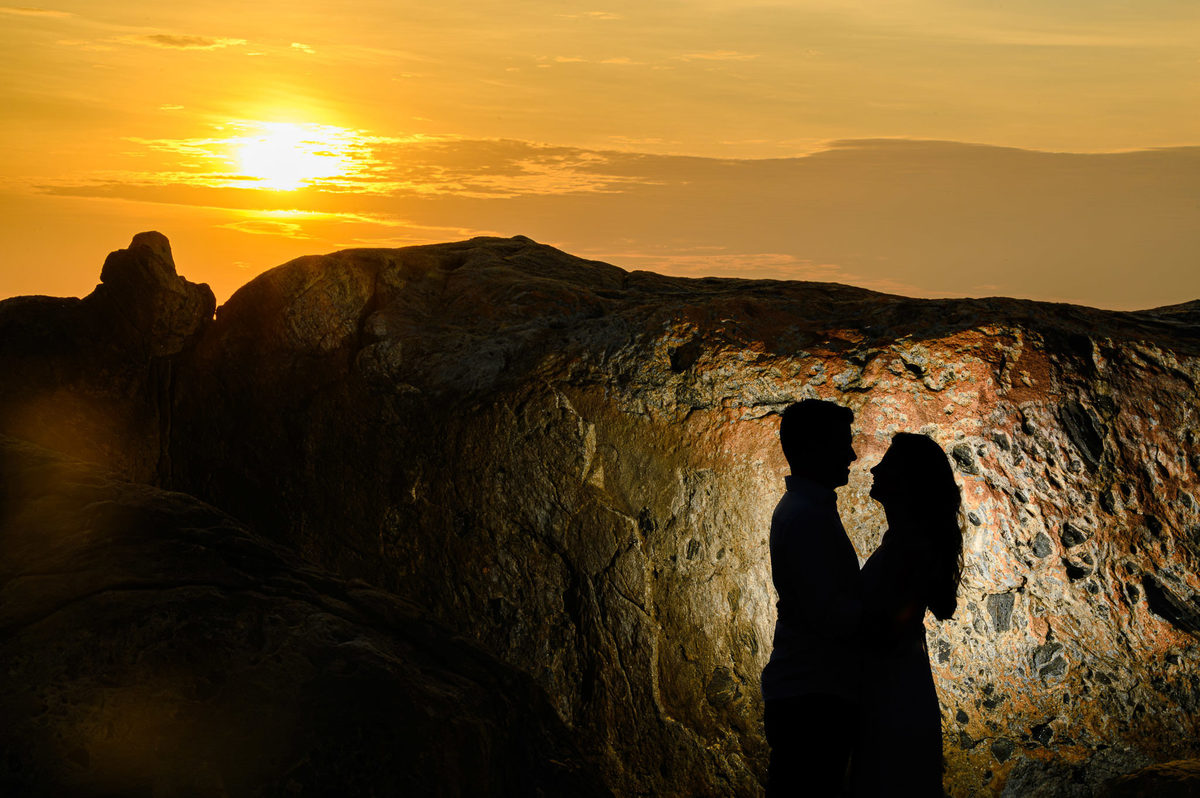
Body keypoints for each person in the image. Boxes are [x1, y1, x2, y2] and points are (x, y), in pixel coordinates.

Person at [852, 433, 964, 798]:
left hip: (892, 694)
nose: (874, 467)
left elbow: (886, 626)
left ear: (907, 478)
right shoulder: (905, 542)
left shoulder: (909, 548)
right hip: (898, 685)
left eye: (887, 461)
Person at [761, 399, 861, 797]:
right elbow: (828, 616)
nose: (852, 455)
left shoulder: (806, 510)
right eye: (842, 444)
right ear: (812, 449)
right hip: (811, 698)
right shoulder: (806, 516)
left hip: (807, 691)